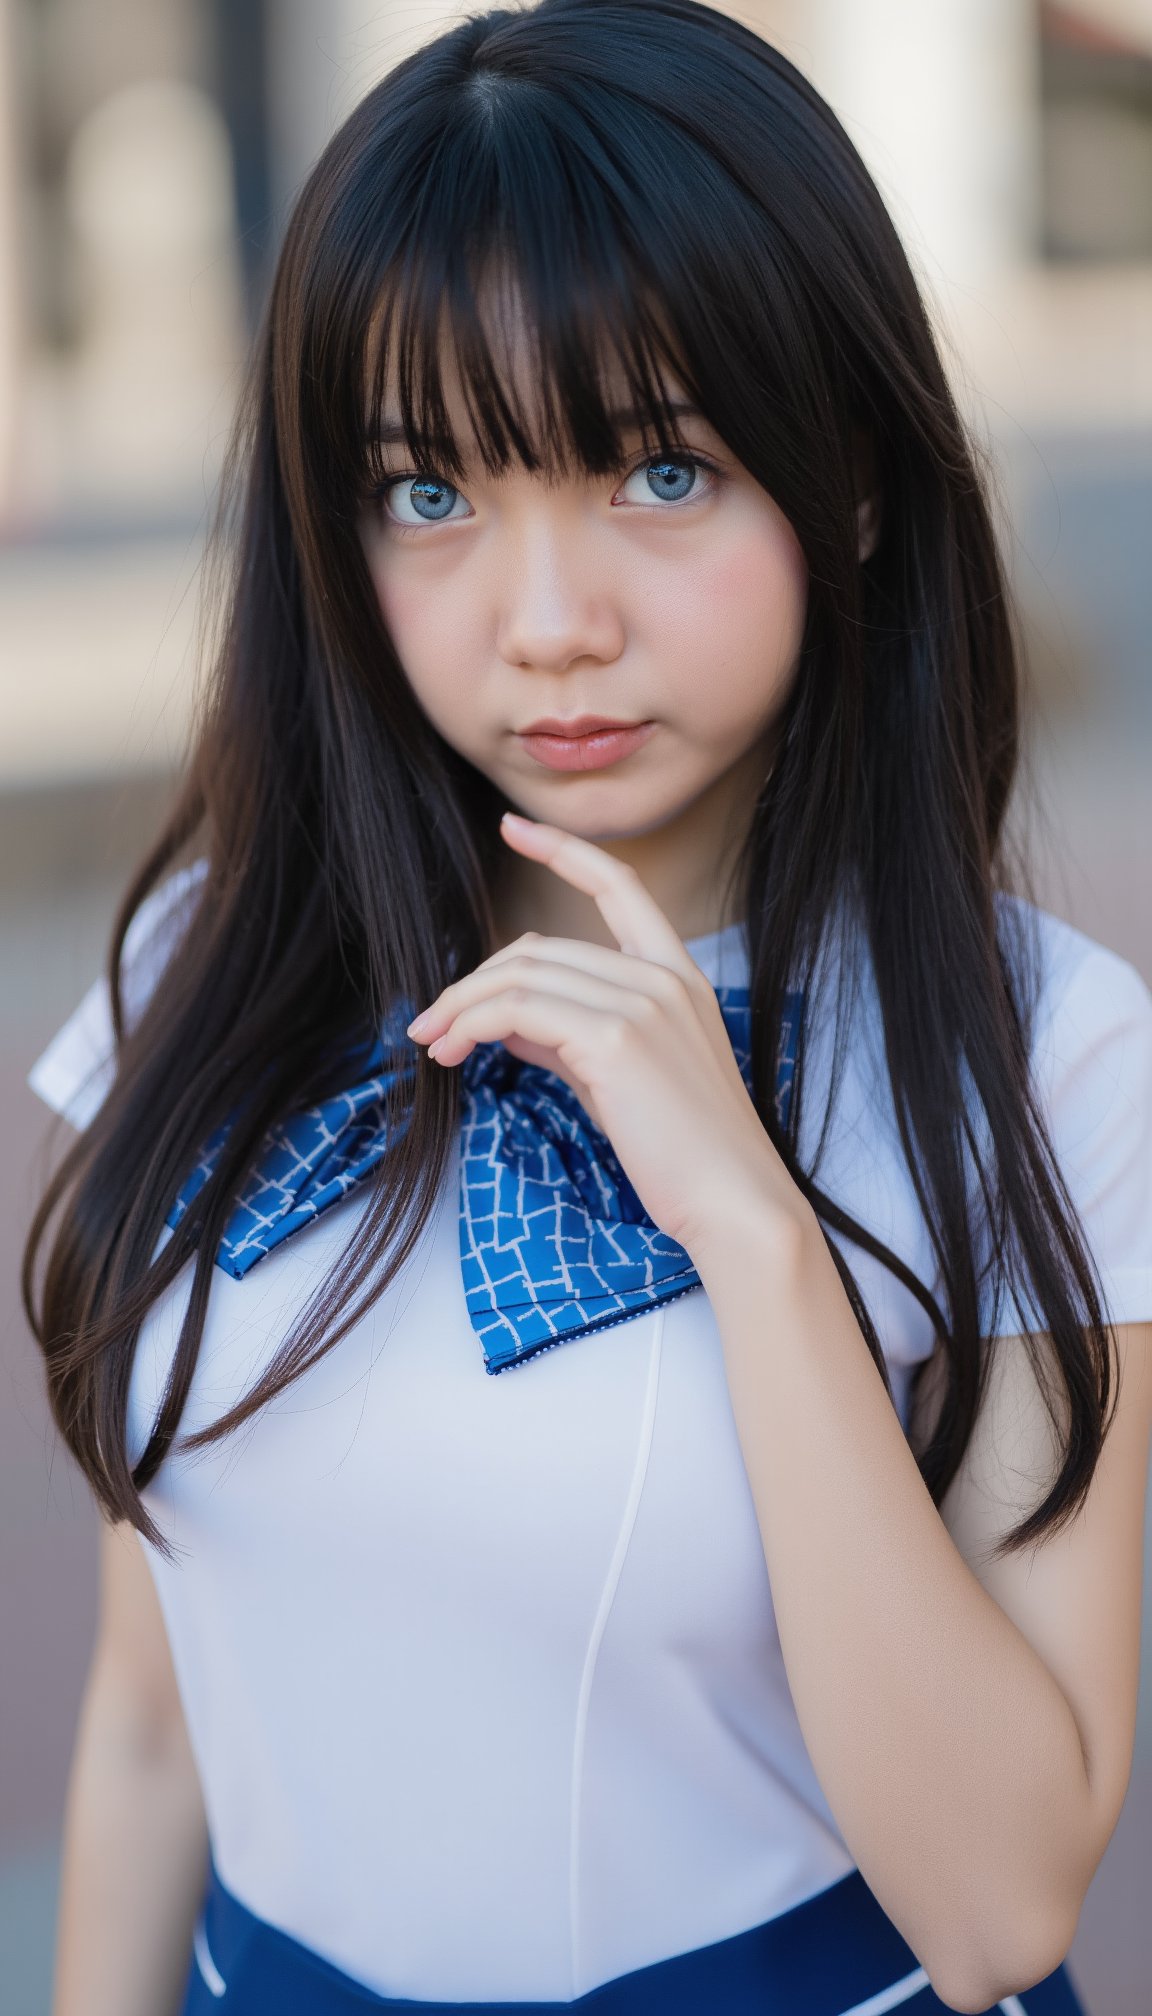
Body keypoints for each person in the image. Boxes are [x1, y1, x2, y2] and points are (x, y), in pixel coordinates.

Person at [22, 2, 1152, 2011]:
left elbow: (1000, 1913)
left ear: (860, 485)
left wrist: (754, 1233)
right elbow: (146, 1720)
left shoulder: (1037, 1058)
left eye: (657, 469)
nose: (548, 620)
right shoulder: (217, 960)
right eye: (427, 493)